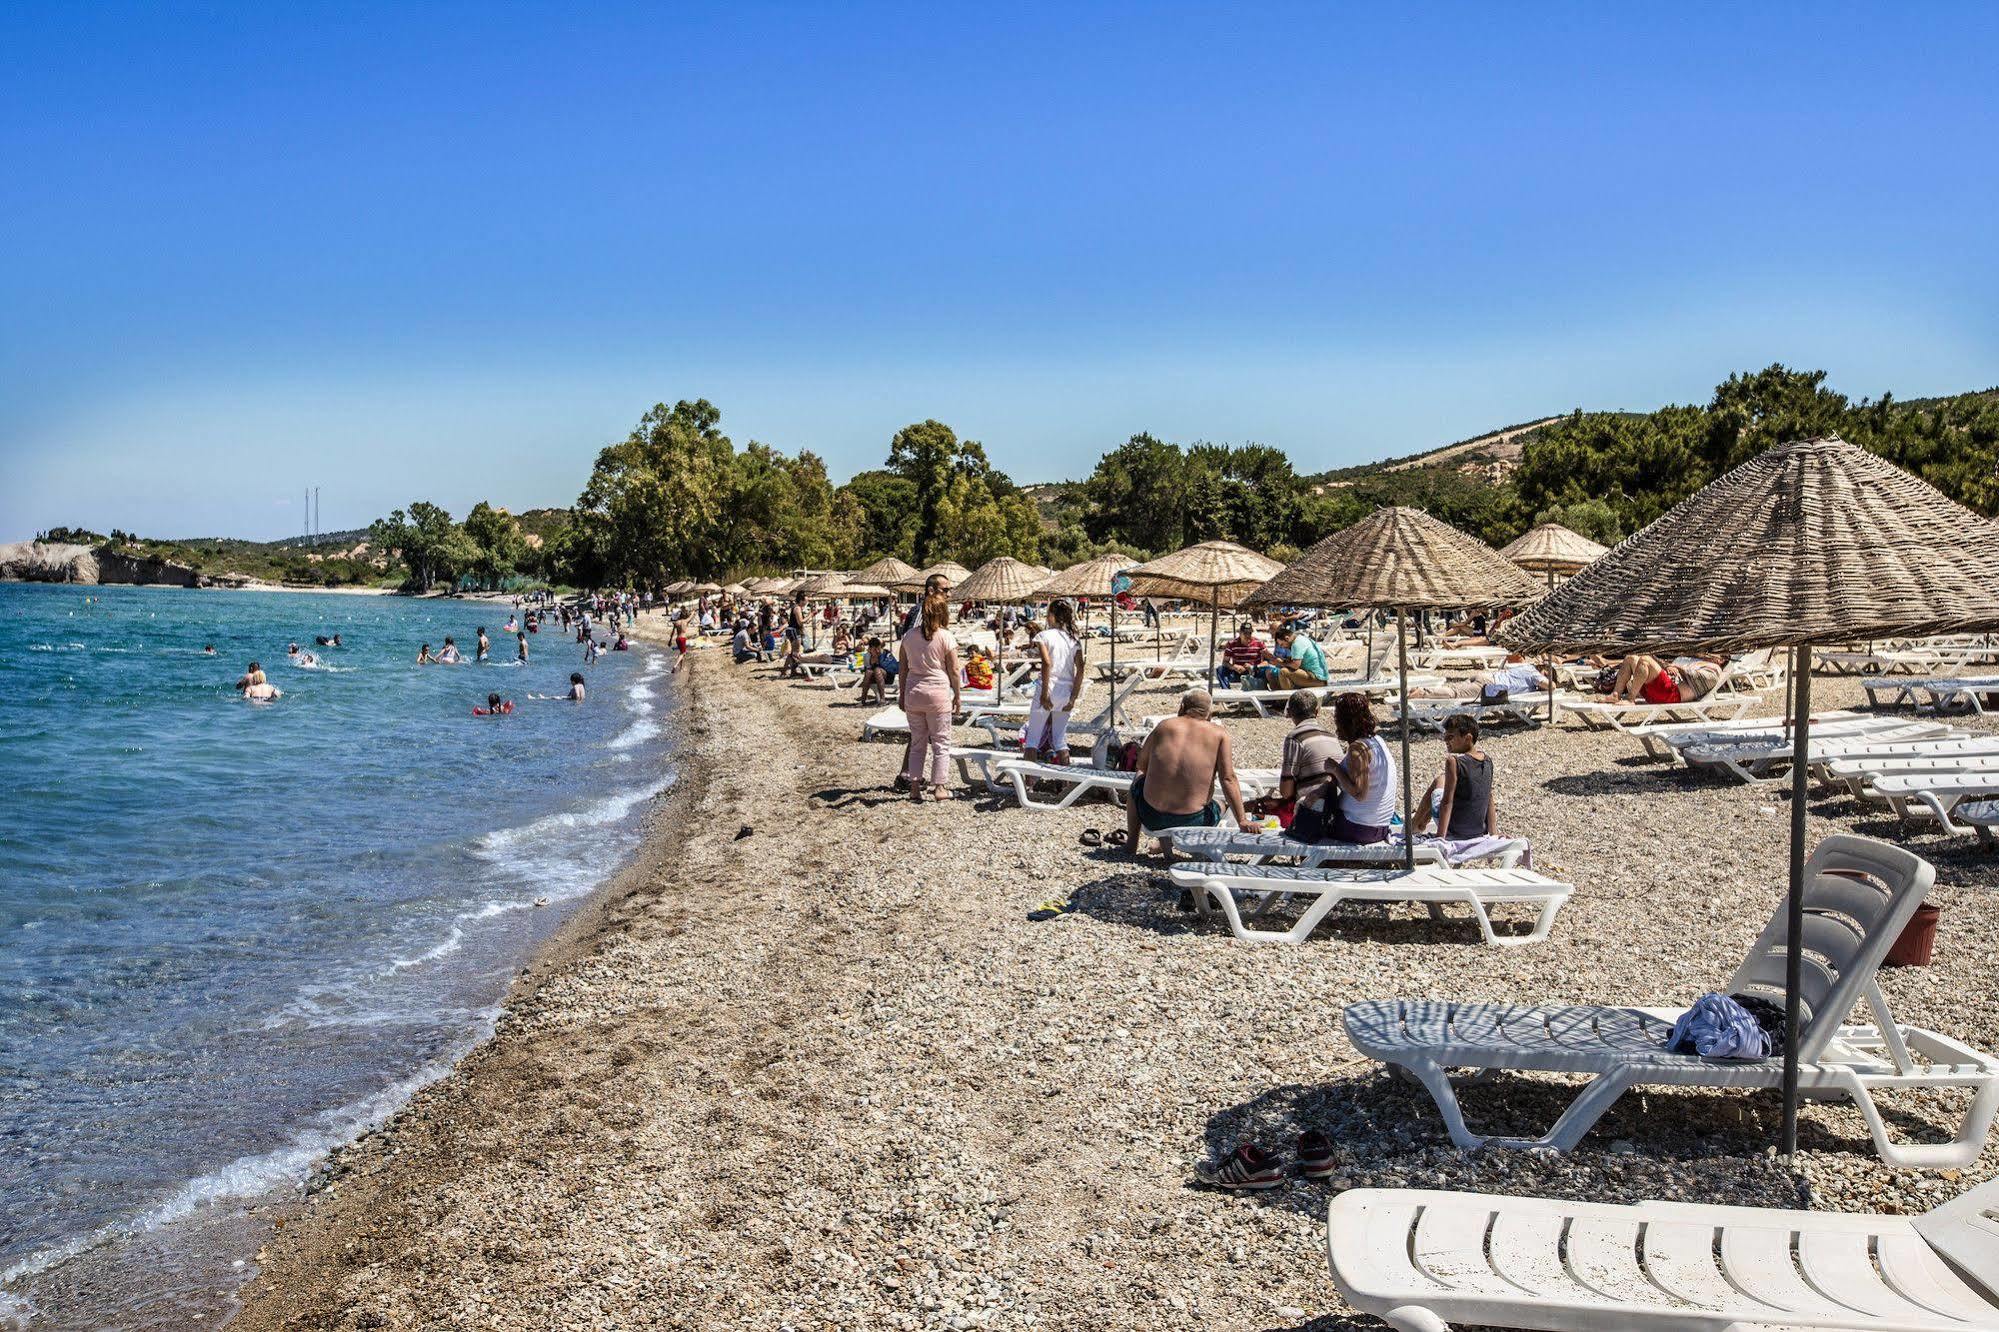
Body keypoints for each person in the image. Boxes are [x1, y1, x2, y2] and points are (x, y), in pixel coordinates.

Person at [1126, 691, 1249, 858]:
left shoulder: (1164, 726)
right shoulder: (1219, 734)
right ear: (1209, 714)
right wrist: (1242, 820)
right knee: (1219, 804)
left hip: (1151, 816)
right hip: (1193, 821)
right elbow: (1228, 778)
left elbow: (1141, 765)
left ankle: (1132, 845)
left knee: (1138, 782)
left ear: (1182, 707)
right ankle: (1195, 852)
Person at [1310, 692, 1398, 845]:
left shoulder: (1358, 749)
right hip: (1380, 826)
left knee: (1310, 824)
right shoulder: (1377, 742)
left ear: (1345, 720)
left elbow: (1359, 793)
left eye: (1337, 717)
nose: (1335, 721)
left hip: (1359, 828)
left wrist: (1335, 768)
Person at [898, 593, 961, 801]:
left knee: (918, 742)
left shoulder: (908, 637)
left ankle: (915, 788)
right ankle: (940, 788)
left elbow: (903, 669)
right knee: (941, 742)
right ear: (943, 613)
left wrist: (901, 694)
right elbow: (954, 670)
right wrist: (958, 695)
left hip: (914, 693)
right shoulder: (946, 636)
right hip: (937, 693)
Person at [1264, 691, 1343, 836]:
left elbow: (1286, 791)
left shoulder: (1295, 737)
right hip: (1337, 805)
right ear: (1317, 711)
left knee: (1265, 808)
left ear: (1289, 712)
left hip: (1314, 811)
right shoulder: (1331, 736)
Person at [1411, 714, 1497, 840]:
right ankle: (1420, 823)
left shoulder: (1454, 762)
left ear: (1467, 738)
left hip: (1455, 828)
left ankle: (1415, 826)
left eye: (1450, 737)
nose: (1445, 740)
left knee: (1439, 781)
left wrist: (1441, 837)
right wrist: (1493, 833)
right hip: (1477, 830)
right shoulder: (1487, 761)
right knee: (1443, 781)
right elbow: (1488, 796)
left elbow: (1447, 802)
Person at [1024, 598, 1085, 765]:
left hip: (1049, 689)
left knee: (1032, 740)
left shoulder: (1043, 636)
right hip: (1066, 692)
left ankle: (1028, 784)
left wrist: (1044, 693)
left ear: (1051, 615)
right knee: (1060, 740)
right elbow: (1080, 668)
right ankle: (1066, 783)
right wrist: (1073, 697)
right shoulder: (1073, 639)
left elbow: (1047, 662)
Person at [1608, 652, 1725, 704]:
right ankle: (1616, 695)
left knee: (1646, 660)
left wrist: (1678, 668)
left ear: (1721, 660)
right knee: (1631, 658)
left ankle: (1630, 699)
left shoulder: (1715, 669)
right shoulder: (1700, 663)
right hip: (1662, 689)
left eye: (1715, 653)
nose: (1708, 653)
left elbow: (1700, 678)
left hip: (1672, 695)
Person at [1272, 625, 1329, 691]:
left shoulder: (1296, 644)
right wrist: (1284, 661)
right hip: (1320, 677)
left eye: (1282, 644)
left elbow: (1295, 665)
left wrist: (1281, 663)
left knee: (1283, 672)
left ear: (1287, 638)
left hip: (1317, 679)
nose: (1283, 647)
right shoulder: (1301, 638)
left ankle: (1287, 699)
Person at [1216, 622, 1270, 688]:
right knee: (1220, 669)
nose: (1247, 636)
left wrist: (1253, 667)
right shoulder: (1232, 644)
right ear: (1240, 633)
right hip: (1238, 672)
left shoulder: (1259, 643)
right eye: (1245, 633)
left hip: (1254, 672)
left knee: (1268, 670)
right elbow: (1225, 662)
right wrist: (1234, 667)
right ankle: (1226, 691)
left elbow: (1267, 662)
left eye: (1249, 633)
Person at [859, 635, 895, 704]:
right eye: (873, 648)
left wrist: (879, 659)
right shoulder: (867, 656)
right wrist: (872, 659)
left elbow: (892, 668)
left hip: (888, 677)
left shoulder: (886, 653)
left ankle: (883, 699)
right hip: (874, 678)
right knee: (869, 672)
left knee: (877, 670)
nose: (876, 650)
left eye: (877, 647)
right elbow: (867, 669)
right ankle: (863, 700)